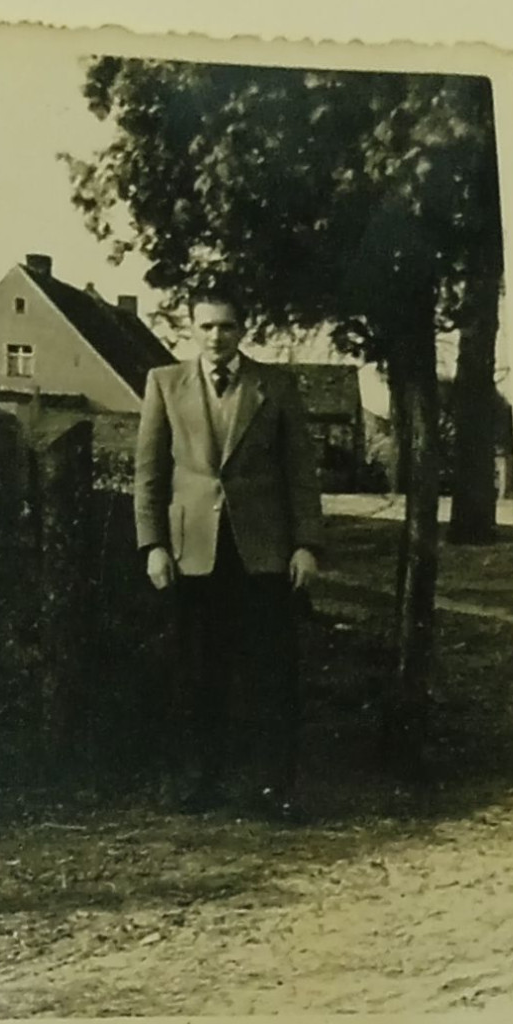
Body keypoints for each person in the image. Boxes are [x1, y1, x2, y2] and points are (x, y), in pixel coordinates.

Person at [134, 285, 324, 821]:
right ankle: (201, 782)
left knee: (270, 674)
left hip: (263, 553)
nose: (217, 337)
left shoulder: (276, 386)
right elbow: (148, 475)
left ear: (243, 330)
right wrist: (153, 546)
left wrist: (306, 544)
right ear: (191, 329)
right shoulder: (164, 384)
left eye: (227, 326)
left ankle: (274, 789)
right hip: (192, 552)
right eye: (207, 326)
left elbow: (301, 474)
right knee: (197, 672)